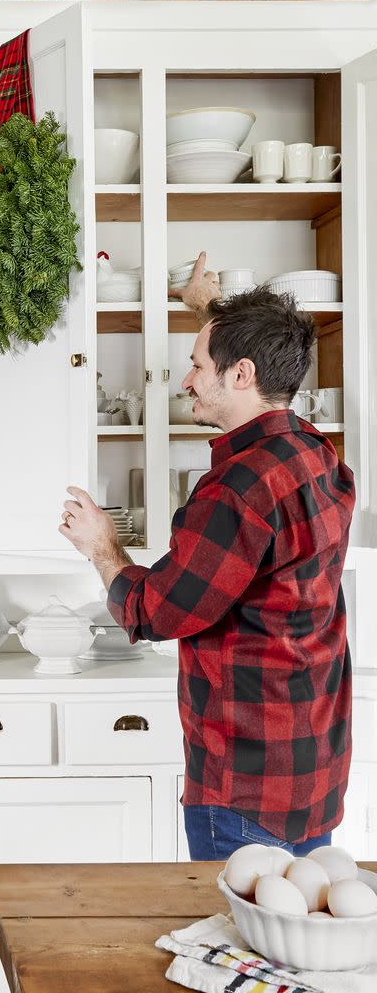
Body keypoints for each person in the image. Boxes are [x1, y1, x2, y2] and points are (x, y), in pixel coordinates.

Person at [59, 253, 355, 860]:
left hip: (244, 788)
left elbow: (153, 613)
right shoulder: (318, 454)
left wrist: (102, 546)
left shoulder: (238, 490)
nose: (186, 380)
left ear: (241, 373)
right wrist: (206, 311)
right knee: (290, 943)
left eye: (196, 365)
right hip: (311, 769)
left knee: (239, 946)